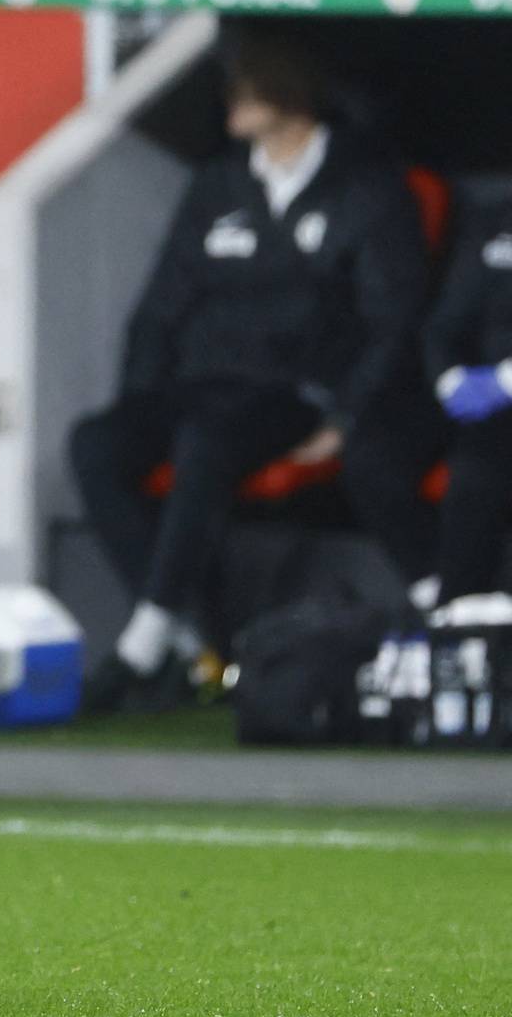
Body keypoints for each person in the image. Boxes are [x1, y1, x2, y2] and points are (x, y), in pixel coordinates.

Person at [69, 35, 429, 710]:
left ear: (289, 98)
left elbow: (392, 319)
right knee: (96, 442)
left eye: (247, 89)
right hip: (200, 383)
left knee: (209, 436)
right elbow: (159, 309)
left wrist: (345, 416)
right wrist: (141, 397)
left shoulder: (363, 186)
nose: (231, 104)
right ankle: (180, 632)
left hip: (293, 393)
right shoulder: (218, 186)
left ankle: (145, 642)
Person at [419, 198, 512, 602]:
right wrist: (449, 376)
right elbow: (445, 322)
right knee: (376, 449)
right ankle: (444, 612)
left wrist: (506, 381)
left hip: (503, 389)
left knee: (480, 469)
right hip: (481, 391)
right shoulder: (497, 219)